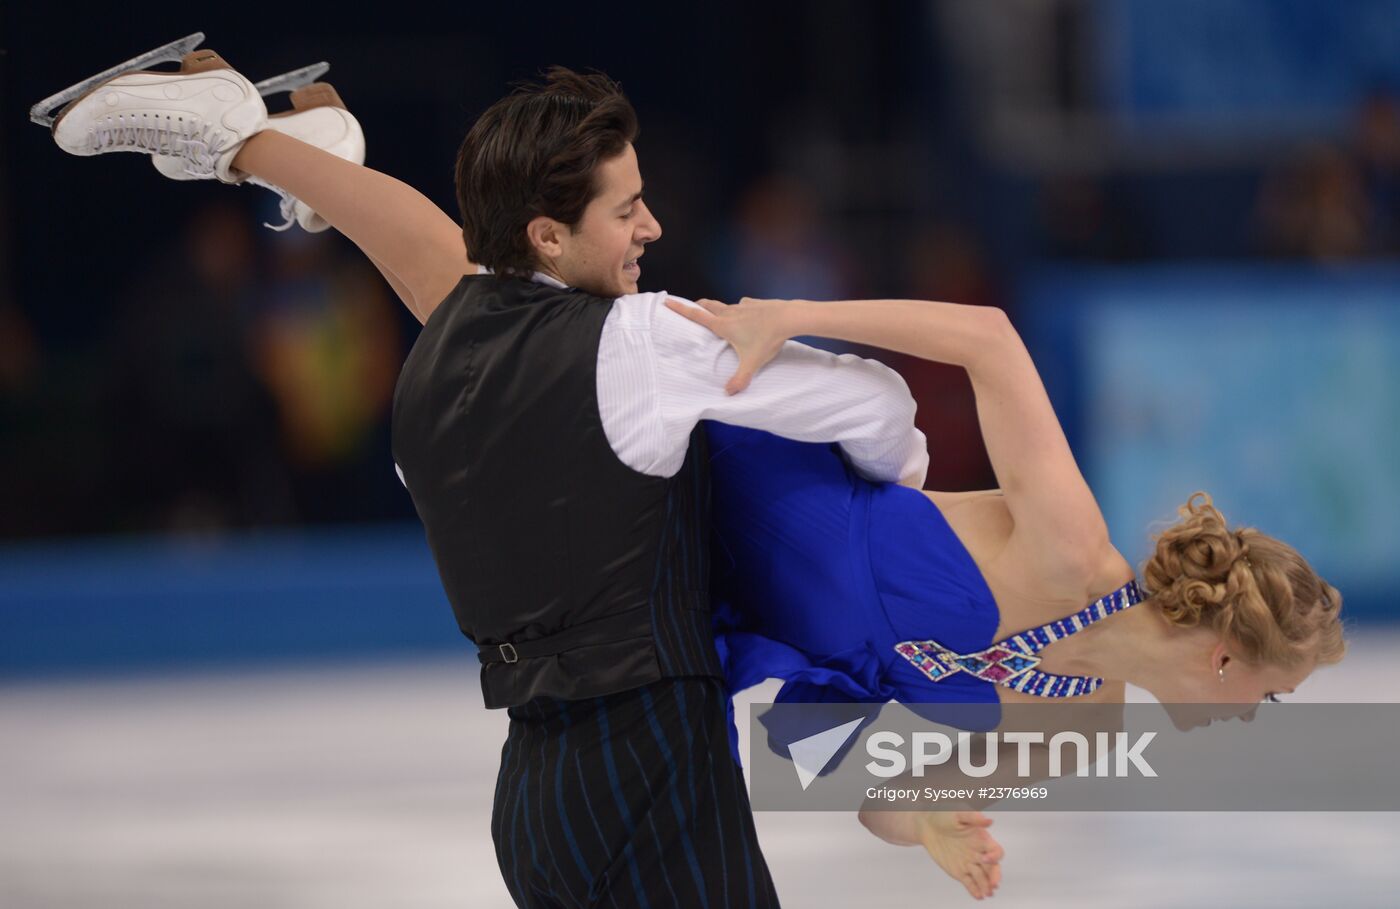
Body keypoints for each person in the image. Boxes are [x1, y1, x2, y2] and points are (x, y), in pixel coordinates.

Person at [39, 43, 931, 907]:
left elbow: (459, 274)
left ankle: (249, 141)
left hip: (538, 796)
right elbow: (882, 404)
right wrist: (880, 517)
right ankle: (249, 142)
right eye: (627, 210)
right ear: (550, 233)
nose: (652, 227)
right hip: (655, 771)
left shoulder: (434, 367)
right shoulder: (644, 340)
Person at [665, 294, 1347, 900]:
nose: (1257, 715)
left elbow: (884, 804)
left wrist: (928, 821)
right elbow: (988, 339)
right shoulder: (1071, 553)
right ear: (1226, 657)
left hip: (706, 622)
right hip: (727, 493)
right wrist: (792, 317)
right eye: (1270, 695)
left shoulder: (1082, 732)